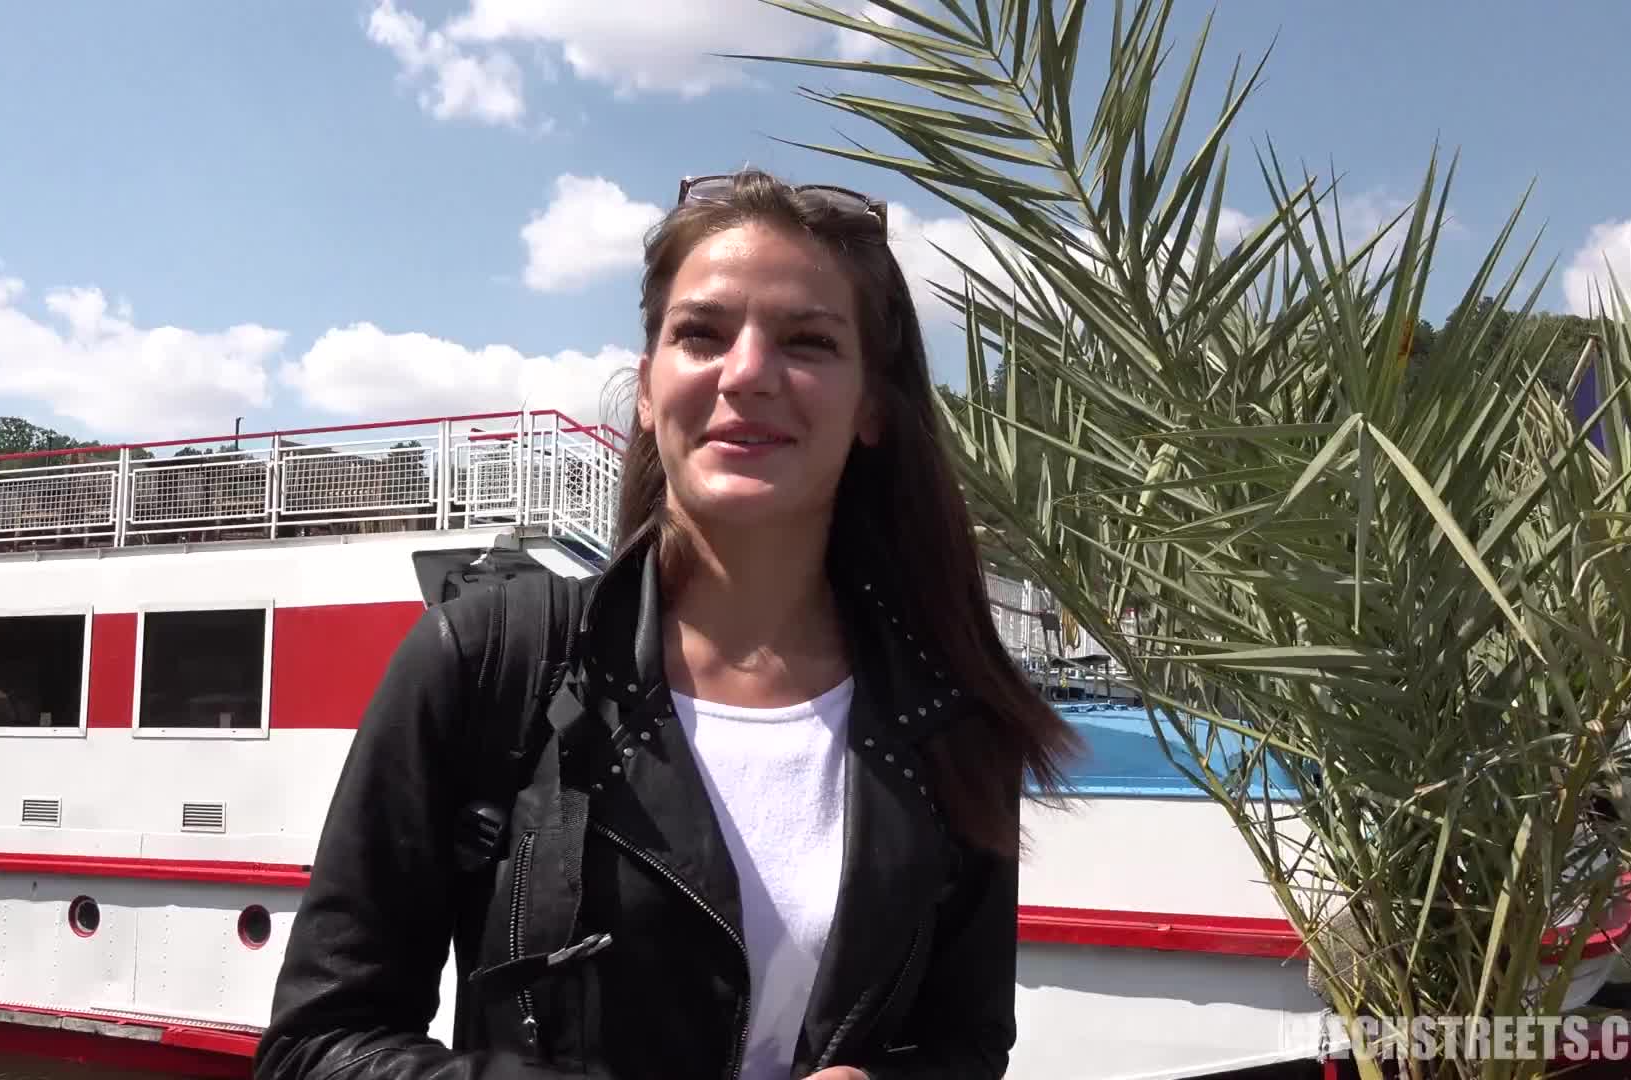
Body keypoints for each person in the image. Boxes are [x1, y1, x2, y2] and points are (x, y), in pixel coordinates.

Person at [254, 169, 1080, 1080]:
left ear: (873, 406)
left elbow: (966, 1045)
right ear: (648, 389)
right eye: (701, 334)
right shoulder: (483, 659)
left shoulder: (950, 715)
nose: (748, 373)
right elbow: (316, 1048)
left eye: (808, 341)